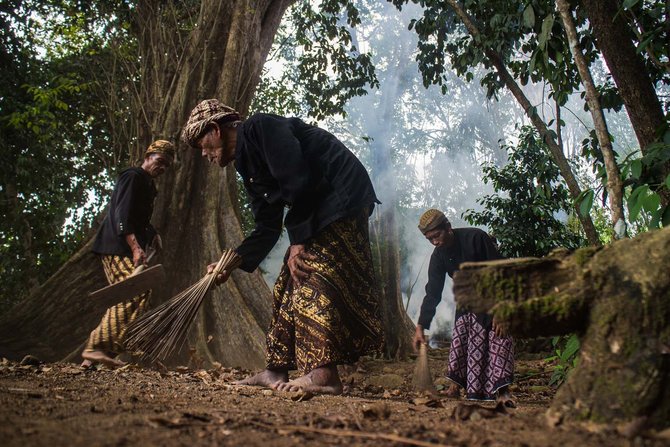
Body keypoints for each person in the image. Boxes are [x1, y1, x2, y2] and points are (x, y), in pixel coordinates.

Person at [181, 99, 383, 395]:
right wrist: (233, 262)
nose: (204, 154)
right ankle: (275, 370)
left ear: (215, 130)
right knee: (287, 281)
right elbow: (267, 225)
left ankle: (324, 375)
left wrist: (299, 242)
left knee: (309, 271)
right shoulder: (245, 164)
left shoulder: (261, 126)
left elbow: (298, 181)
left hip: (341, 196)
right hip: (317, 207)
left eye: (203, 144)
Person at [82, 140, 175, 368]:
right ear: (148, 156)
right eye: (159, 161)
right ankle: (95, 348)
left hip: (126, 245)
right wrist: (135, 247)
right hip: (116, 246)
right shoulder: (133, 176)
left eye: (166, 165)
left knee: (135, 295)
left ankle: (97, 359)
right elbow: (122, 214)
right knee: (132, 291)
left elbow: (139, 218)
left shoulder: (147, 185)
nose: (161, 168)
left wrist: (153, 234)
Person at [413, 209, 515, 406]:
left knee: (499, 339)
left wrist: (503, 310)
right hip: (468, 302)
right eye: (430, 239)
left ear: (448, 228)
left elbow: (501, 272)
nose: (435, 242)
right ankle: (455, 388)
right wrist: (420, 326)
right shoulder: (438, 256)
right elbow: (433, 292)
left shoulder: (476, 237)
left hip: (494, 297)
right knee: (461, 340)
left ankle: (503, 392)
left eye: (437, 235)